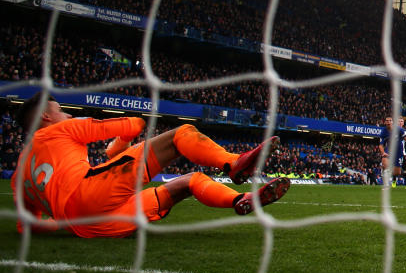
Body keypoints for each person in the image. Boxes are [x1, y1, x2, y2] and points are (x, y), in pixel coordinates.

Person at [10, 92, 288, 238]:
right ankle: (233, 163)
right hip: (90, 195)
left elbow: (29, 226)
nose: (68, 113)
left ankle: (241, 199)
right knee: (181, 134)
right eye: (61, 110)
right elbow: (129, 123)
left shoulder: (20, 172)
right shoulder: (60, 130)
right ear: (46, 118)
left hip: (86, 225)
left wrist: (61, 225)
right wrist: (126, 137)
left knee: (187, 182)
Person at [378, 115, 406, 189]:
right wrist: (383, 152)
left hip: (401, 152)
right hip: (389, 150)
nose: (400, 122)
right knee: (385, 163)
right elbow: (380, 144)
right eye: (399, 121)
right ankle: (388, 181)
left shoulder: (402, 131)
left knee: (400, 171)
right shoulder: (385, 131)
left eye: (401, 121)